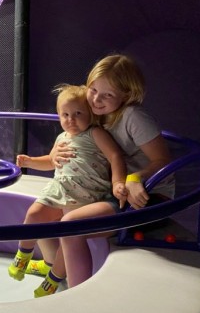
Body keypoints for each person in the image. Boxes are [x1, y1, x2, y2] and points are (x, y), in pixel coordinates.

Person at [54, 54, 175, 289]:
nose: (96, 99)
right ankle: (53, 276)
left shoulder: (133, 117)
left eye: (107, 94)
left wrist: (136, 178)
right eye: (93, 89)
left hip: (149, 196)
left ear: (126, 95)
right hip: (115, 190)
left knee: (70, 225)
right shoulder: (94, 113)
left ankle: (78, 295)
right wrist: (54, 154)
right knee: (55, 214)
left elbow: (162, 160)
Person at [7, 84, 127, 298]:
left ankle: (52, 281)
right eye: (65, 115)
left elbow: (115, 156)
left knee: (67, 238)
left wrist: (118, 181)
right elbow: (50, 162)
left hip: (87, 194)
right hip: (59, 190)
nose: (71, 120)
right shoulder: (62, 138)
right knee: (34, 214)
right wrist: (30, 161)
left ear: (90, 114)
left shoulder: (95, 133)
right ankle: (22, 256)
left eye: (78, 114)